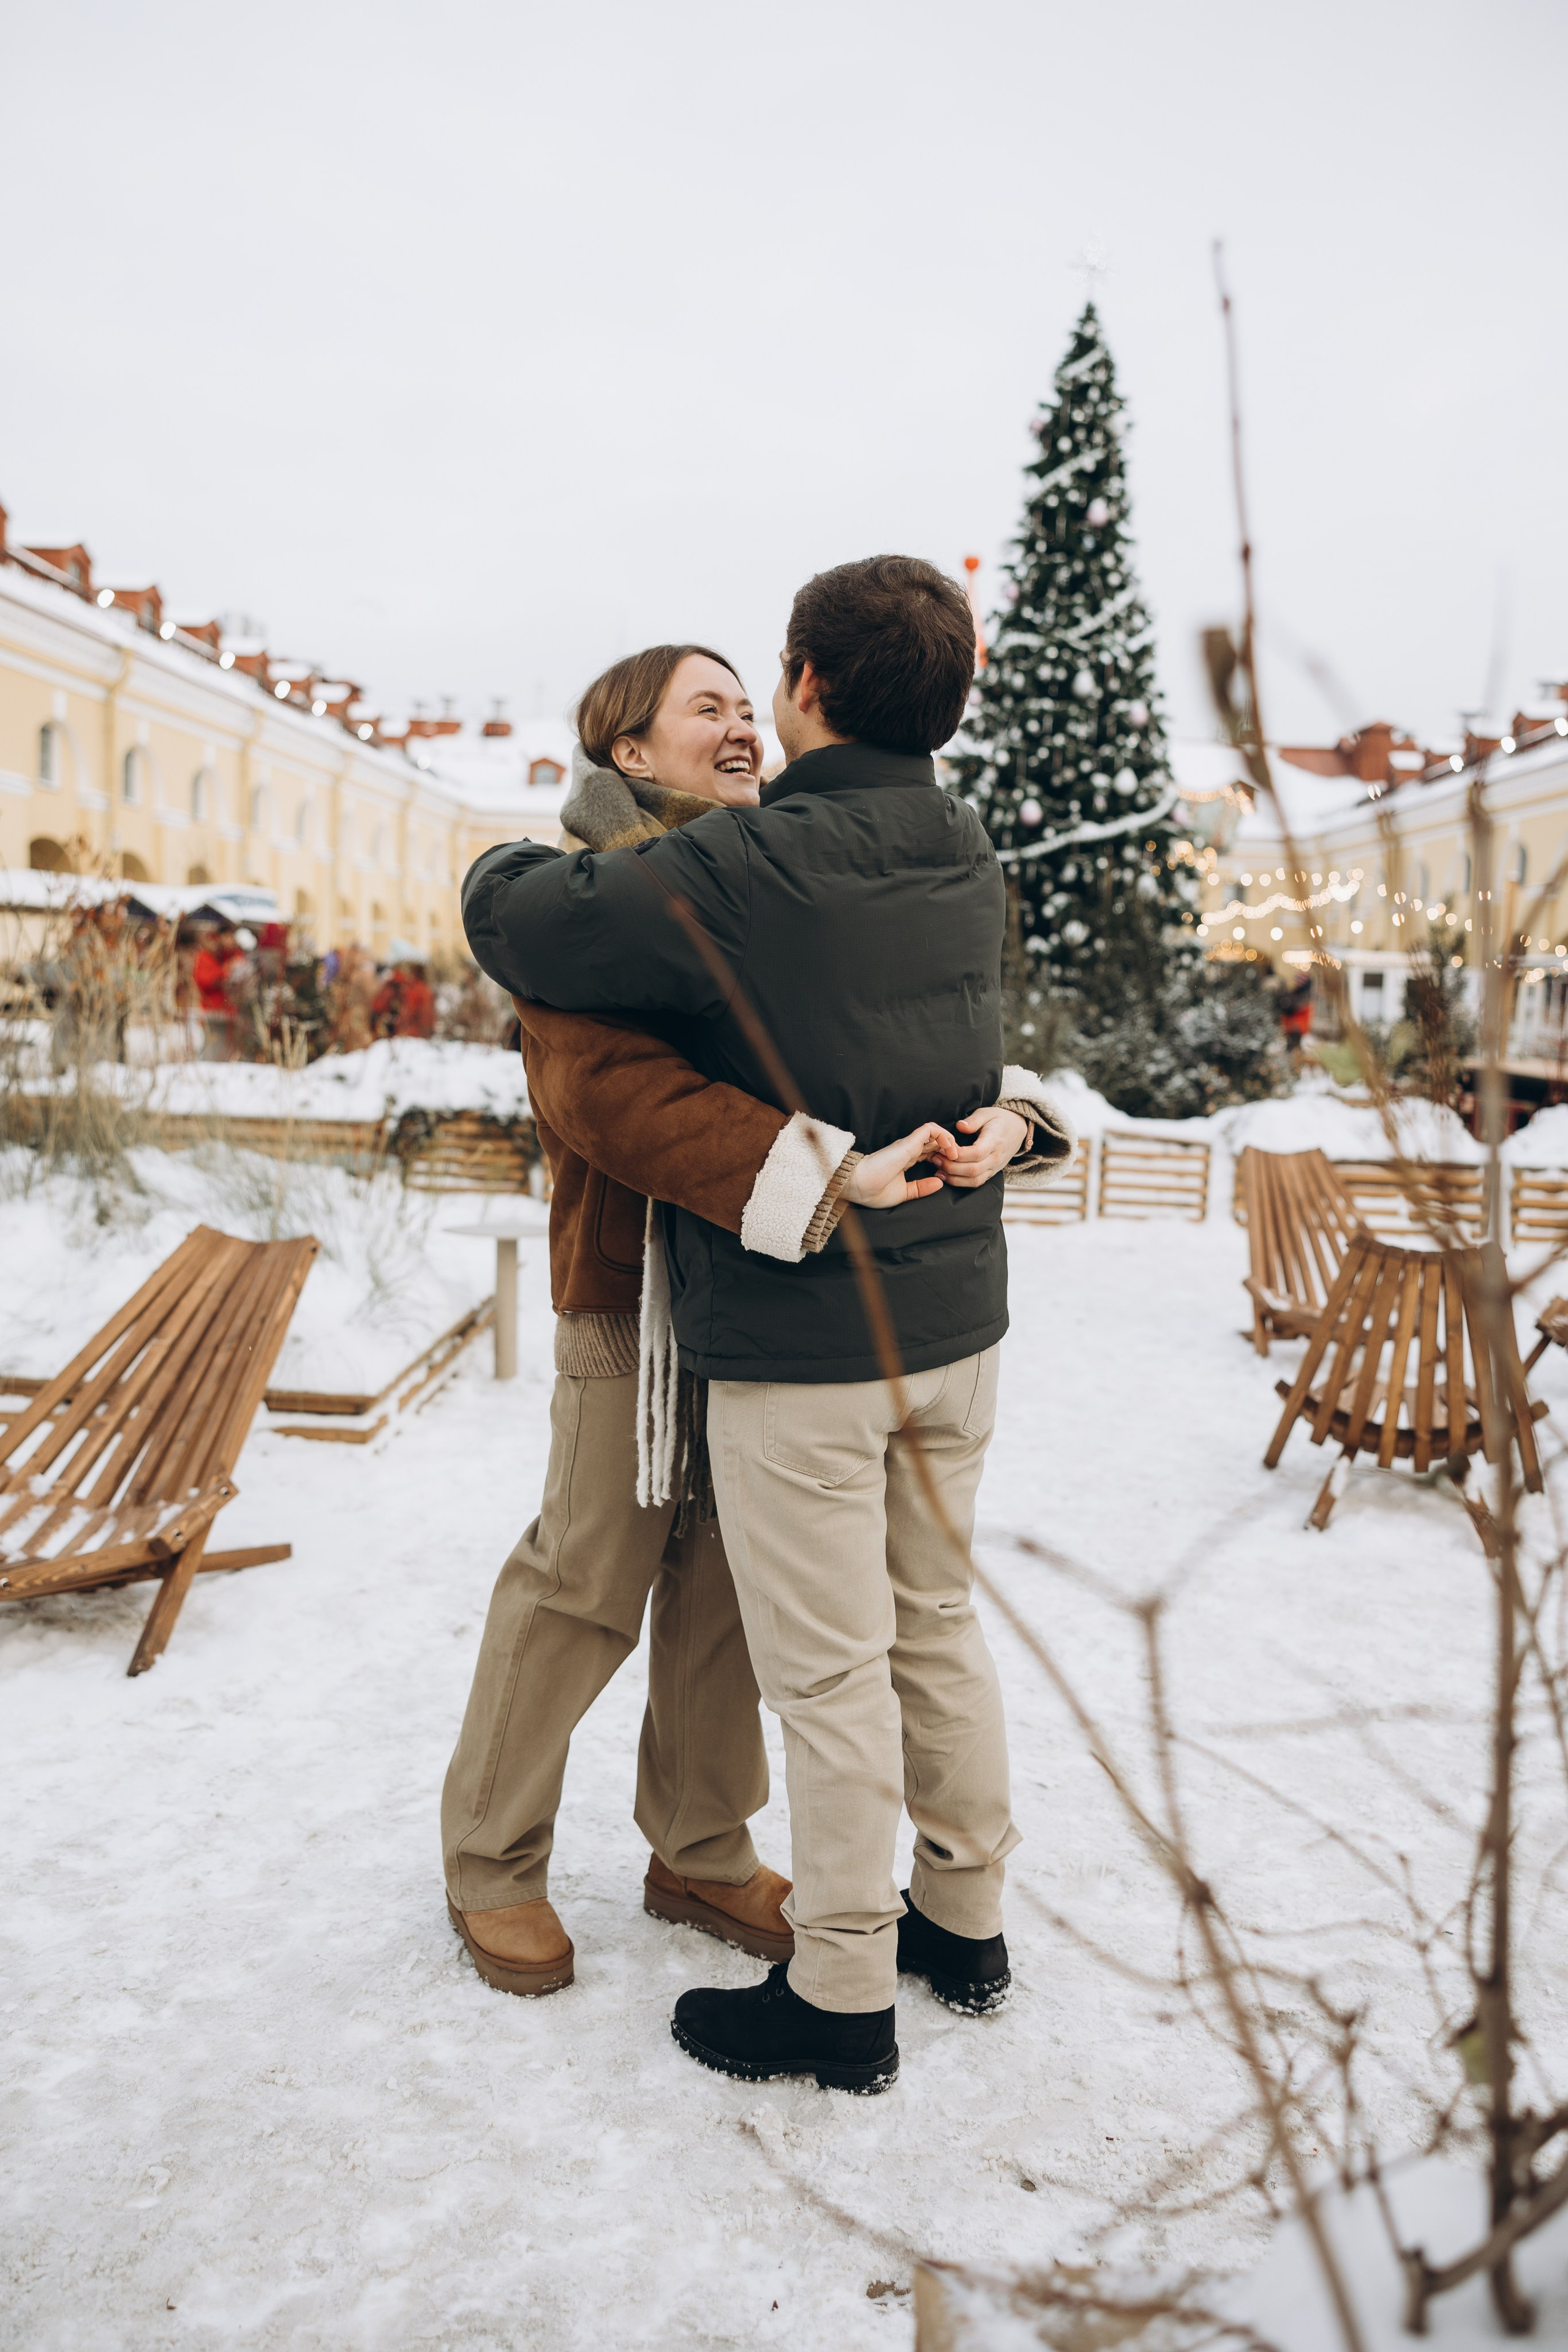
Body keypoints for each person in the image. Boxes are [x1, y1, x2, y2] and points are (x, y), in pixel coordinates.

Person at [463, 559, 1074, 2092]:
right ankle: (492, 1853)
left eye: (750, 696)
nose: (738, 723)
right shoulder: (627, 879)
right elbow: (603, 1093)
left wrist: (998, 1114)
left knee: (738, 1597)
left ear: (803, 689)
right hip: (640, 1295)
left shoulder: (757, 861)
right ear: (625, 752)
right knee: (588, 1577)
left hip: (779, 1313)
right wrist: (815, 1163)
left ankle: (701, 1844)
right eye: (703, 706)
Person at [372, 943, 437, 1040]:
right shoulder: (411, 987)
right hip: (408, 1037)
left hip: (411, 1038)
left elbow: (418, 1017)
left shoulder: (416, 988)